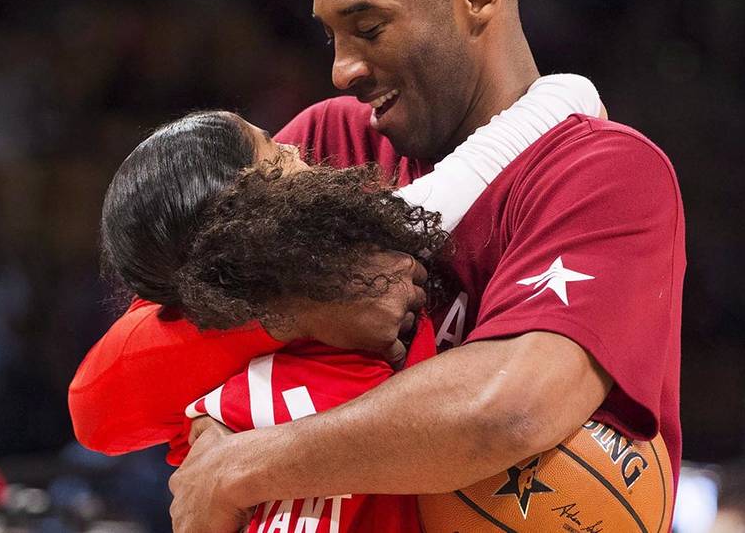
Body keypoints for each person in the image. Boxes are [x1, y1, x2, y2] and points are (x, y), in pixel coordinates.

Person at [77, 0, 684, 533]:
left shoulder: (604, 172)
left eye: (368, 27)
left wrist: (241, 468)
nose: (341, 67)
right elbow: (102, 401)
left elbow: (505, 409)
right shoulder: (323, 146)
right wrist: (302, 306)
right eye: (332, 35)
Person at [79, 77, 602, 532]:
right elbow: (565, 99)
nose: (299, 152)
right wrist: (308, 304)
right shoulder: (376, 273)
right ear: (251, 216)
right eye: (275, 152)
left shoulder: (202, 394)